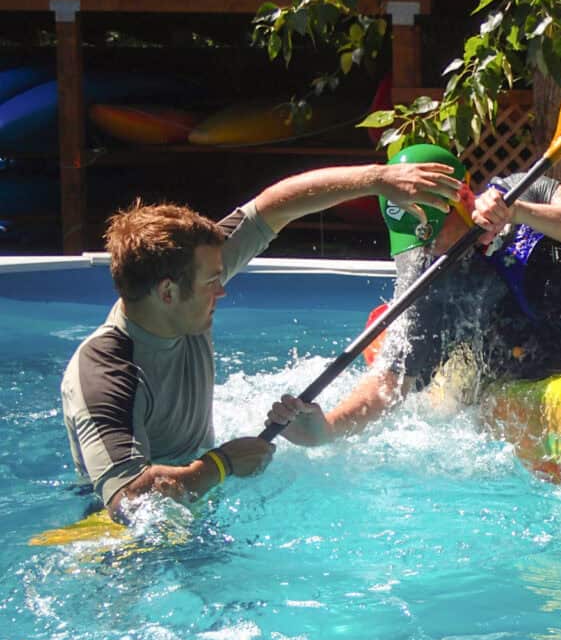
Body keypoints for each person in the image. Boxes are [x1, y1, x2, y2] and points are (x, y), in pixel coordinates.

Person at [61, 159, 464, 520]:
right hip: (127, 539)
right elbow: (128, 502)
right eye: (212, 283)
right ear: (167, 293)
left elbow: (274, 206)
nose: (222, 290)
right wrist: (220, 465)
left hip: (199, 499)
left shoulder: (187, 279)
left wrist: (379, 180)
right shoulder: (105, 373)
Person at [266, 143, 561, 445]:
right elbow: (387, 385)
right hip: (523, 384)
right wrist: (324, 429)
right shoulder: (426, 279)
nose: (429, 246)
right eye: (418, 236)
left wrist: (519, 212)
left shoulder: (523, 191)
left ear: (463, 200)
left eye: (434, 230)